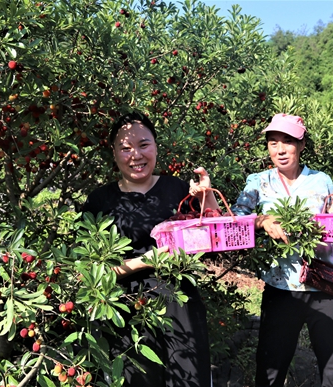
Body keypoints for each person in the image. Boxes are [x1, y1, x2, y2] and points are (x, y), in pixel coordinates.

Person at [82, 111, 218, 387]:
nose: (136, 155)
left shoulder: (177, 188)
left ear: (156, 146)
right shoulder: (100, 200)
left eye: (143, 145)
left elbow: (212, 237)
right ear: (114, 153)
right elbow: (90, 274)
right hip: (127, 308)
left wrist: (207, 196)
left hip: (181, 304)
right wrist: (144, 262)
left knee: (190, 379)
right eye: (126, 148)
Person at [231, 113, 333, 387]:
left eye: (287, 142)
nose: (280, 149)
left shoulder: (321, 180)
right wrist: (263, 220)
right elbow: (236, 219)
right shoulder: (258, 181)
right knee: (270, 371)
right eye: (273, 142)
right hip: (281, 287)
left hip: (325, 285)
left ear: (301, 145)